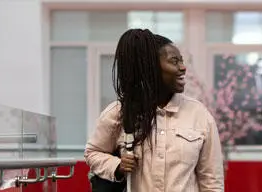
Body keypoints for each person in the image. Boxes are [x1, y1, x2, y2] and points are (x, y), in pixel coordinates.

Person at [84, 29, 224, 192]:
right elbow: (93, 153)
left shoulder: (198, 114)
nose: (183, 68)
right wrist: (117, 166)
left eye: (181, 61)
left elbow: (211, 181)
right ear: (150, 67)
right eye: (174, 61)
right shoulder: (119, 112)